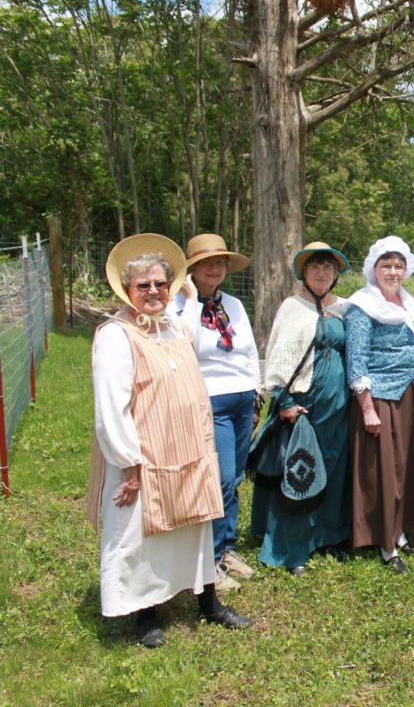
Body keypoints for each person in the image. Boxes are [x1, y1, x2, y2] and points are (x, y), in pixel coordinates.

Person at [87, 234, 251, 649]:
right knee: (141, 535)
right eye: (144, 285)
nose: (154, 291)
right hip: (143, 457)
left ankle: (207, 602)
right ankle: (145, 613)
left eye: (161, 283)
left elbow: (195, 341)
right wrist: (127, 461)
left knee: (195, 526)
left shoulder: (172, 327)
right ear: (126, 290)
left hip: (187, 449)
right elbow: (111, 406)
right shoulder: (116, 334)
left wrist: (190, 295)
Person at [249, 242, 353, 574]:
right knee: (298, 471)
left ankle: (328, 536)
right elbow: (279, 353)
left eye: (328, 267)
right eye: (315, 267)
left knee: (335, 470)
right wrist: (284, 400)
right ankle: (290, 548)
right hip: (303, 406)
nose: (322, 272)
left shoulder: (344, 309)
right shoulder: (292, 307)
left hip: (338, 407)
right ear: (304, 273)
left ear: (335, 274)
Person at [345, 236, 414, 574]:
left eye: (398, 265)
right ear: (374, 269)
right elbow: (357, 359)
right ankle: (386, 542)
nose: (393, 271)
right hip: (381, 398)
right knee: (385, 470)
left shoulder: (409, 303)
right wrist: (367, 407)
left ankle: (401, 527)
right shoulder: (362, 306)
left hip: (413, 394)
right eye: (386, 265)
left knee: (410, 464)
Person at [168, 233, 260, 592]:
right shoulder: (178, 307)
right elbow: (182, 343)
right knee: (218, 479)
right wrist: (191, 301)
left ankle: (227, 547)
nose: (215, 268)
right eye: (207, 262)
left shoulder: (234, 305)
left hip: (241, 399)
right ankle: (209, 556)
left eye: (220, 262)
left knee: (235, 476)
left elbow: (249, 350)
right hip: (209, 400)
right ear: (191, 269)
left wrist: (255, 396)